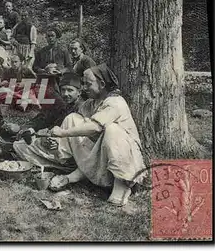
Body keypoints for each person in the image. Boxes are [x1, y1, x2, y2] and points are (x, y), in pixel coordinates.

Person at [46, 64, 146, 206]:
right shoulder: (90, 104)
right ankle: (78, 171)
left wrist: (62, 133)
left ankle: (123, 185)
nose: (84, 87)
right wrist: (57, 140)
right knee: (72, 118)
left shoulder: (115, 102)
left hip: (126, 157)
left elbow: (95, 127)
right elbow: (80, 128)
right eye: (84, 84)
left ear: (102, 84)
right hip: (102, 154)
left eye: (88, 84)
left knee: (111, 129)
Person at [13, 72, 84, 170]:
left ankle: (66, 167)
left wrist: (59, 142)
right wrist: (31, 129)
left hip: (74, 152)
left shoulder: (83, 108)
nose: (65, 94)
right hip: (58, 146)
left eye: (70, 90)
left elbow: (82, 138)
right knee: (20, 145)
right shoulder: (67, 105)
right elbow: (47, 118)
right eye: (63, 90)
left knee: (20, 146)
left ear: (79, 92)